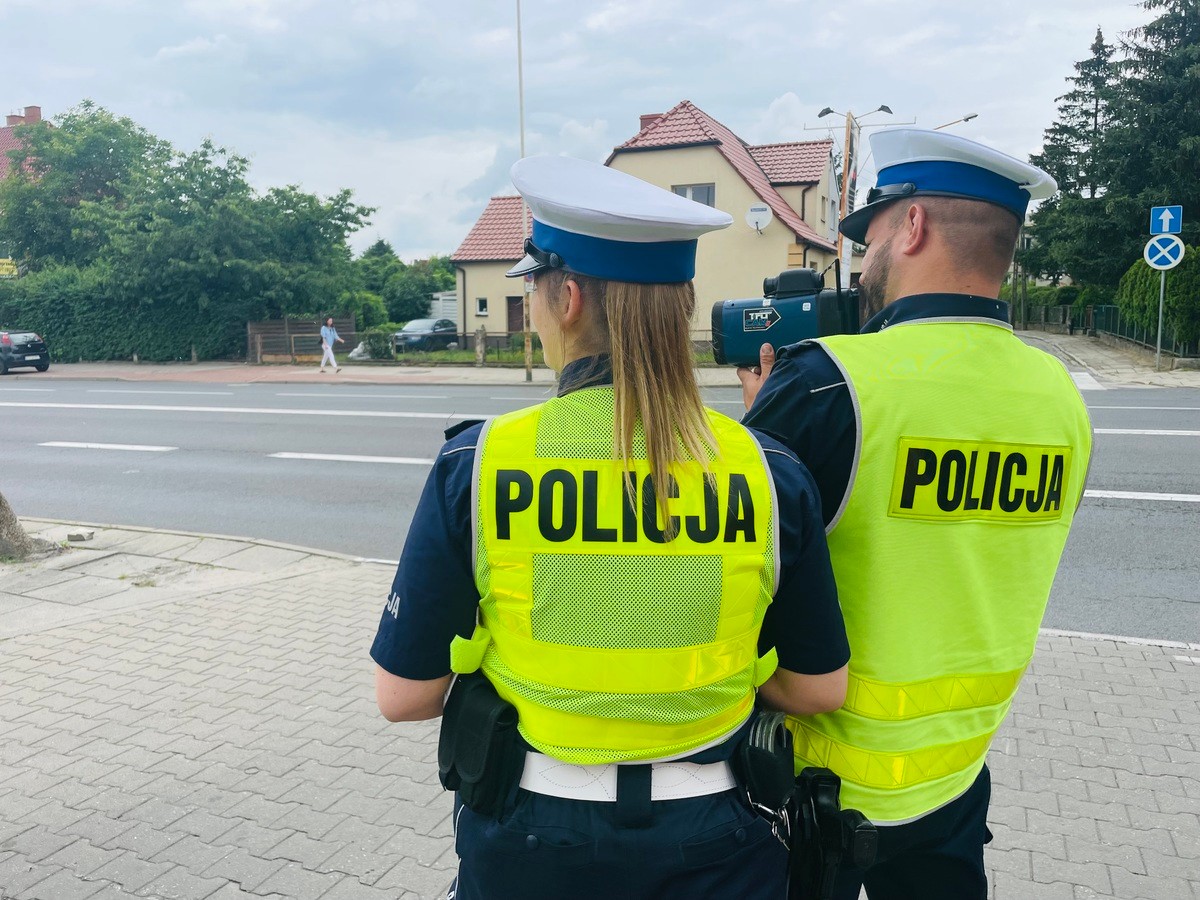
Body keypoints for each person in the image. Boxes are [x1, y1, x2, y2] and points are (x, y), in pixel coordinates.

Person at [371, 155, 850, 899]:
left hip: (533, 838)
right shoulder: (768, 472)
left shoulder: (480, 462)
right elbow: (820, 689)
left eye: (530, 285)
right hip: (721, 838)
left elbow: (402, 696)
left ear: (566, 299)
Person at [737, 128, 1094, 900]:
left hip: (813, 795)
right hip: (955, 782)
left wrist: (758, 426)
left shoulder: (829, 383)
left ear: (913, 226)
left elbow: (729, 562)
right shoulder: (1061, 396)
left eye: (869, 238)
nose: (864, 263)